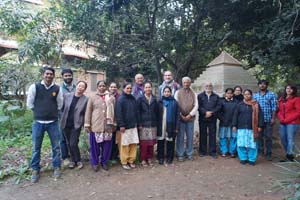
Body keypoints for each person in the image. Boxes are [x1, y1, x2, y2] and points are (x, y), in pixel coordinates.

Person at [27, 66, 63, 183]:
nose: (48, 76)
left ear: (53, 75)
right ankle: (35, 170)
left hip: (53, 123)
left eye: (51, 74)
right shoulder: (35, 87)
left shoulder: (57, 89)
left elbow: (60, 104)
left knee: (56, 147)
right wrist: (40, 113)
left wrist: (50, 113)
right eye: (47, 74)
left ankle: (56, 167)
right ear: (43, 74)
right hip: (38, 123)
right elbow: (30, 103)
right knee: (36, 148)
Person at [84, 81, 116, 171]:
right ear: (97, 87)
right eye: (100, 86)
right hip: (96, 125)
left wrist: (115, 123)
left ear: (106, 87)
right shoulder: (92, 97)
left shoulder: (111, 98)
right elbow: (88, 111)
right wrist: (87, 124)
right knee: (95, 147)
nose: (102, 87)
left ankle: (104, 162)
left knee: (107, 146)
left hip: (108, 126)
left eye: (103, 86)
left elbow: (115, 111)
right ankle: (95, 163)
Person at [60, 81, 88, 169]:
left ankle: (78, 160)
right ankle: (72, 160)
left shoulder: (85, 99)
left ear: (84, 89)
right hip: (65, 123)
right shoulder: (67, 96)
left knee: (73, 143)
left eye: (83, 87)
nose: (80, 88)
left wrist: (84, 123)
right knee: (68, 143)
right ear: (76, 86)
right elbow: (61, 108)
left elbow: (85, 113)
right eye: (79, 86)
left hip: (76, 124)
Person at [232, 89, 264, 165]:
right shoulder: (239, 105)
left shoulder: (256, 104)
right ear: (243, 95)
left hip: (252, 128)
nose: (247, 96)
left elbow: (260, 116)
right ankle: (243, 158)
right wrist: (234, 125)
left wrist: (260, 125)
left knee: (252, 144)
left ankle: (251, 159)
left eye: (248, 94)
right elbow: (235, 116)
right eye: (245, 94)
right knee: (241, 143)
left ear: (251, 95)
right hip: (241, 127)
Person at [116, 83, 139, 170]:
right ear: (124, 89)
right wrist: (121, 125)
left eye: (130, 88)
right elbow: (118, 113)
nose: (129, 90)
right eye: (127, 88)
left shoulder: (133, 98)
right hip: (124, 127)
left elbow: (136, 112)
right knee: (124, 145)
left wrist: (137, 123)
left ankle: (131, 160)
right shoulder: (120, 100)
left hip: (133, 126)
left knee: (133, 143)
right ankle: (124, 162)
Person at [174, 77, 198, 161]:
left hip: (190, 119)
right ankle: (180, 153)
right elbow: (176, 105)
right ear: (182, 83)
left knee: (190, 137)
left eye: (188, 82)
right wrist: (181, 115)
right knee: (180, 137)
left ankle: (189, 153)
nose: (186, 84)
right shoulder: (177, 92)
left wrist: (190, 115)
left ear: (190, 83)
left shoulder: (194, 93)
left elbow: (196, 105)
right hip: (180, 119)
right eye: (184, 82)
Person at [253, 80, 277, 161]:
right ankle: (260, 152)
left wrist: (273, 118)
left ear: (266, 85)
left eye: (264, 84)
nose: (262, 85)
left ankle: (269, 153)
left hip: (268, 119)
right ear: (258, 85)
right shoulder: (255, 96)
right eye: (260, 84)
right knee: (259, 137)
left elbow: (274, 107)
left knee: (268, 137)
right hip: (259, 121)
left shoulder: (271, 95)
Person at [137, 82, 159, 167]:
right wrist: (139, 123)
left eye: (149, 87)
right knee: (144, 143)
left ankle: (149, 158)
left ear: (151, 88)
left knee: (151, 143)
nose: (148, 89)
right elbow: (138, 112)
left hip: (152, 124)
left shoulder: (154, 99)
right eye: (146, 87)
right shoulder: (140, 99)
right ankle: (143, 159)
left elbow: (156, 112)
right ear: (143, 89)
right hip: (144, 124)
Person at [157, 86, 180, 165]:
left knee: (170, 141)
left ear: (171, 93)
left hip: (171, 124)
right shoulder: (159, 102)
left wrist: (176, 127)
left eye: (168, 92)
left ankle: (169, 157)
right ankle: (160, 157)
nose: (166, 93)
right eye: (165, 92)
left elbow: (177, 116)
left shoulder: (174, 102)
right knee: (160, 141)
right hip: (161, 124)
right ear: (163, 93)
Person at [198, 82, 221, 158]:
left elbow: (218, 106)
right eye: (207, 86)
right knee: (202, 135)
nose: (208, 87)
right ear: (204, 87)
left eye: (210, 86)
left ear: (212, 87)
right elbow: (199, 106)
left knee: (212, 135)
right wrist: (205, 112)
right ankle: (202, 151)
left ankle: (212, 152)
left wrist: (211, 112)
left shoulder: (216, 96)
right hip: (202, 118)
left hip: (212, 118)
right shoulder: (200, 96)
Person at [277, 84, 300, 161]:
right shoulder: (282, 99)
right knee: (283, 138)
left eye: (291, 88)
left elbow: (298, 112)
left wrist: (287, 119)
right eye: (287, 88)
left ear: (294, 90)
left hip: (292, 122)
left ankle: (289, 156)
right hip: (283, 122)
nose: (289, 90)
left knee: (290, 139)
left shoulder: (296, 99)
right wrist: (281, 118)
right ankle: (288, 153)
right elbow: (279, 110)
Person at [60, 68, 76, 165]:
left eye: (69, 75)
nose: (68, 77)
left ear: (72, 76)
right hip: (62, 117)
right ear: (62, 77)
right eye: (66, 76)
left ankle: (74, 157)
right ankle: (65, 157)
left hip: (74, 118)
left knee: (73, 139)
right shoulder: (59, 89)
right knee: (62, 138)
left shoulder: (76, 88)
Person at [218, 88, 239, 158]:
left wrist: (234, 123)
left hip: (233, 123)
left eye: (231, 93)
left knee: (234, 137)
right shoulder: (221, 101)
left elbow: (237, 113)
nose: (229, 94)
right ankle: (224, 151)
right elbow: (218, 112)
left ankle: (232, 151)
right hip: (223, 123)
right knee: (223, 137)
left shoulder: (236, 102)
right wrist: (222, 119)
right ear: (225, 93)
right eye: (228, 93)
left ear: (233, 94)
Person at [109, 82, 121, 163]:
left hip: (118, 121)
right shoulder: (106, 96)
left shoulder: (119, 97)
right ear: (109, 88)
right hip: (109, 122)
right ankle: (109, 156)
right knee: (109, 139)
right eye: (111, 87)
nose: (113, 88)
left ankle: (115, 155)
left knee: (116, 139)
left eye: (115, 87)